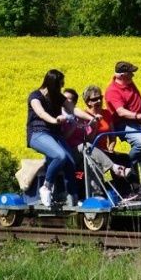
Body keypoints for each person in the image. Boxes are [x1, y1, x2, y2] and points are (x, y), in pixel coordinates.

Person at [25, 69, 93, 207]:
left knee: (70, 162)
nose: (62, 87)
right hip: (38, 133)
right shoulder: (35, 96)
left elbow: (73, 109)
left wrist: (91, 117)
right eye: (60, 84)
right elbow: (41, 113)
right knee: (60, 156)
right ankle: (46, 187)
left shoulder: (57, 96)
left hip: (54, 135)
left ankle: (72, 197)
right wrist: (55, 120)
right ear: (51, 84)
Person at [104, 61, 141, 198]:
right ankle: (127, 163)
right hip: (124, 124)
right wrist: (138, 115)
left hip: (137, 124)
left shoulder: (128, 82)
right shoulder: (112, 91)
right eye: (130, 73)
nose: (133, 75)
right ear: (122, 75)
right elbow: (120, 112)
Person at [60, 88, 130, 184]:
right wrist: (73, 125)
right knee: (87, 148)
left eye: (68, 100)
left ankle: (130, 190)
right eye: (63, 98)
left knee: (124, 157)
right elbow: (64, 138)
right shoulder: (59, 117)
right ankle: (115, 168)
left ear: (74, 103)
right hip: (70, 151)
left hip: (88, 151)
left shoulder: (80, 116)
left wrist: (95, 125)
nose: (99, 101)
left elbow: (91, 138)